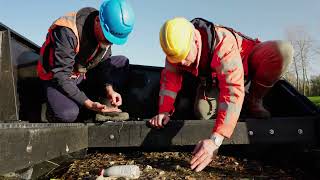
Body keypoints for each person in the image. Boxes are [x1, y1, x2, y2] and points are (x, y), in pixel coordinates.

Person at [149, 17, 293, 172]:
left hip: (244, 71)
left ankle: (254, 100)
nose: (182, 62)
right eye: (177, 59)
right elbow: (169, 81)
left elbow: (232, 89)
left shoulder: (223, 43)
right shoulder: (176, 50)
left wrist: (216, 140)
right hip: (215, 81)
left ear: (195, 41)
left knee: (282, 50)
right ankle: (236, 112)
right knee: (203, 113)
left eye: (184, 56)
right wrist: (164, 110)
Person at [37, 0, 135, 122]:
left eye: (112, 40)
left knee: (122, 62)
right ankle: (58, 109)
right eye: (108, 37)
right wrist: (89, 104)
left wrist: (110, 90)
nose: (109, 42)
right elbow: (61, 75)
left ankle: (100, 103)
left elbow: (104, 64)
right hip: (57, 78)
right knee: (68, 114)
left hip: (82, 74)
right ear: (98, 20)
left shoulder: (107, 34)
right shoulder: (67, 31)